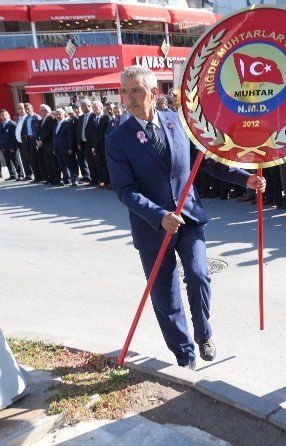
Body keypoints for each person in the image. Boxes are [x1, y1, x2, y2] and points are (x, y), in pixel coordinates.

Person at [105, 65, 266, 369]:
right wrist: (159, 214)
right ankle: (184, 352)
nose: (129, 97)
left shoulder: (178, 123)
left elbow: (203, 161)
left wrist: (245, 179)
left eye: (136, 90)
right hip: (153, 227)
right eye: (124, 91)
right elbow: (125, 190)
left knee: (198, 274)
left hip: (188, 218)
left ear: (154, 92)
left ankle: (204, 333)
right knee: (166, 297)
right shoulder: (118, 139)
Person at [51, 108, 78, 186]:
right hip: (58, 149)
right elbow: (54, 137)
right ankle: (66, 179)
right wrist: (54, 148)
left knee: (70, 165)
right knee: (62, 165)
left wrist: (70, 148)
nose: (58, 116)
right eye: (56, 114)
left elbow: (70, 137)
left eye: (60, 114)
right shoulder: (55, 124)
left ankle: (74, 179)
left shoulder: (67, 123)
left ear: (64, 114)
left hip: (66, 149)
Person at [0, 109, 25, 181]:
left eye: (5, 114)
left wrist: (13, 147)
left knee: (16, 161)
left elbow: (14, 137)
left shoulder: (12, 124)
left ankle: (21, 174)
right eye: (2, 115)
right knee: (8, 162)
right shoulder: (1, 125)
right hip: (4, 147)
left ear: (8, 115)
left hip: (12, 146)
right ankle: (12, 174)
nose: (4, 116)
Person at [90, 101, 110, 188]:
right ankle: (102, 180)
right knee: (99, 164)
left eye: (96, 107)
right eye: (93, 107)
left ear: (101, 108)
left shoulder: (106, 118)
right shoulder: (92, 118)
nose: (94, 109)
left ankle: (109, 181)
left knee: (106, 164)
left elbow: (107, 132)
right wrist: (93, 146)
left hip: (104, 144)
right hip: (96, 145)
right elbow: (92, 134)